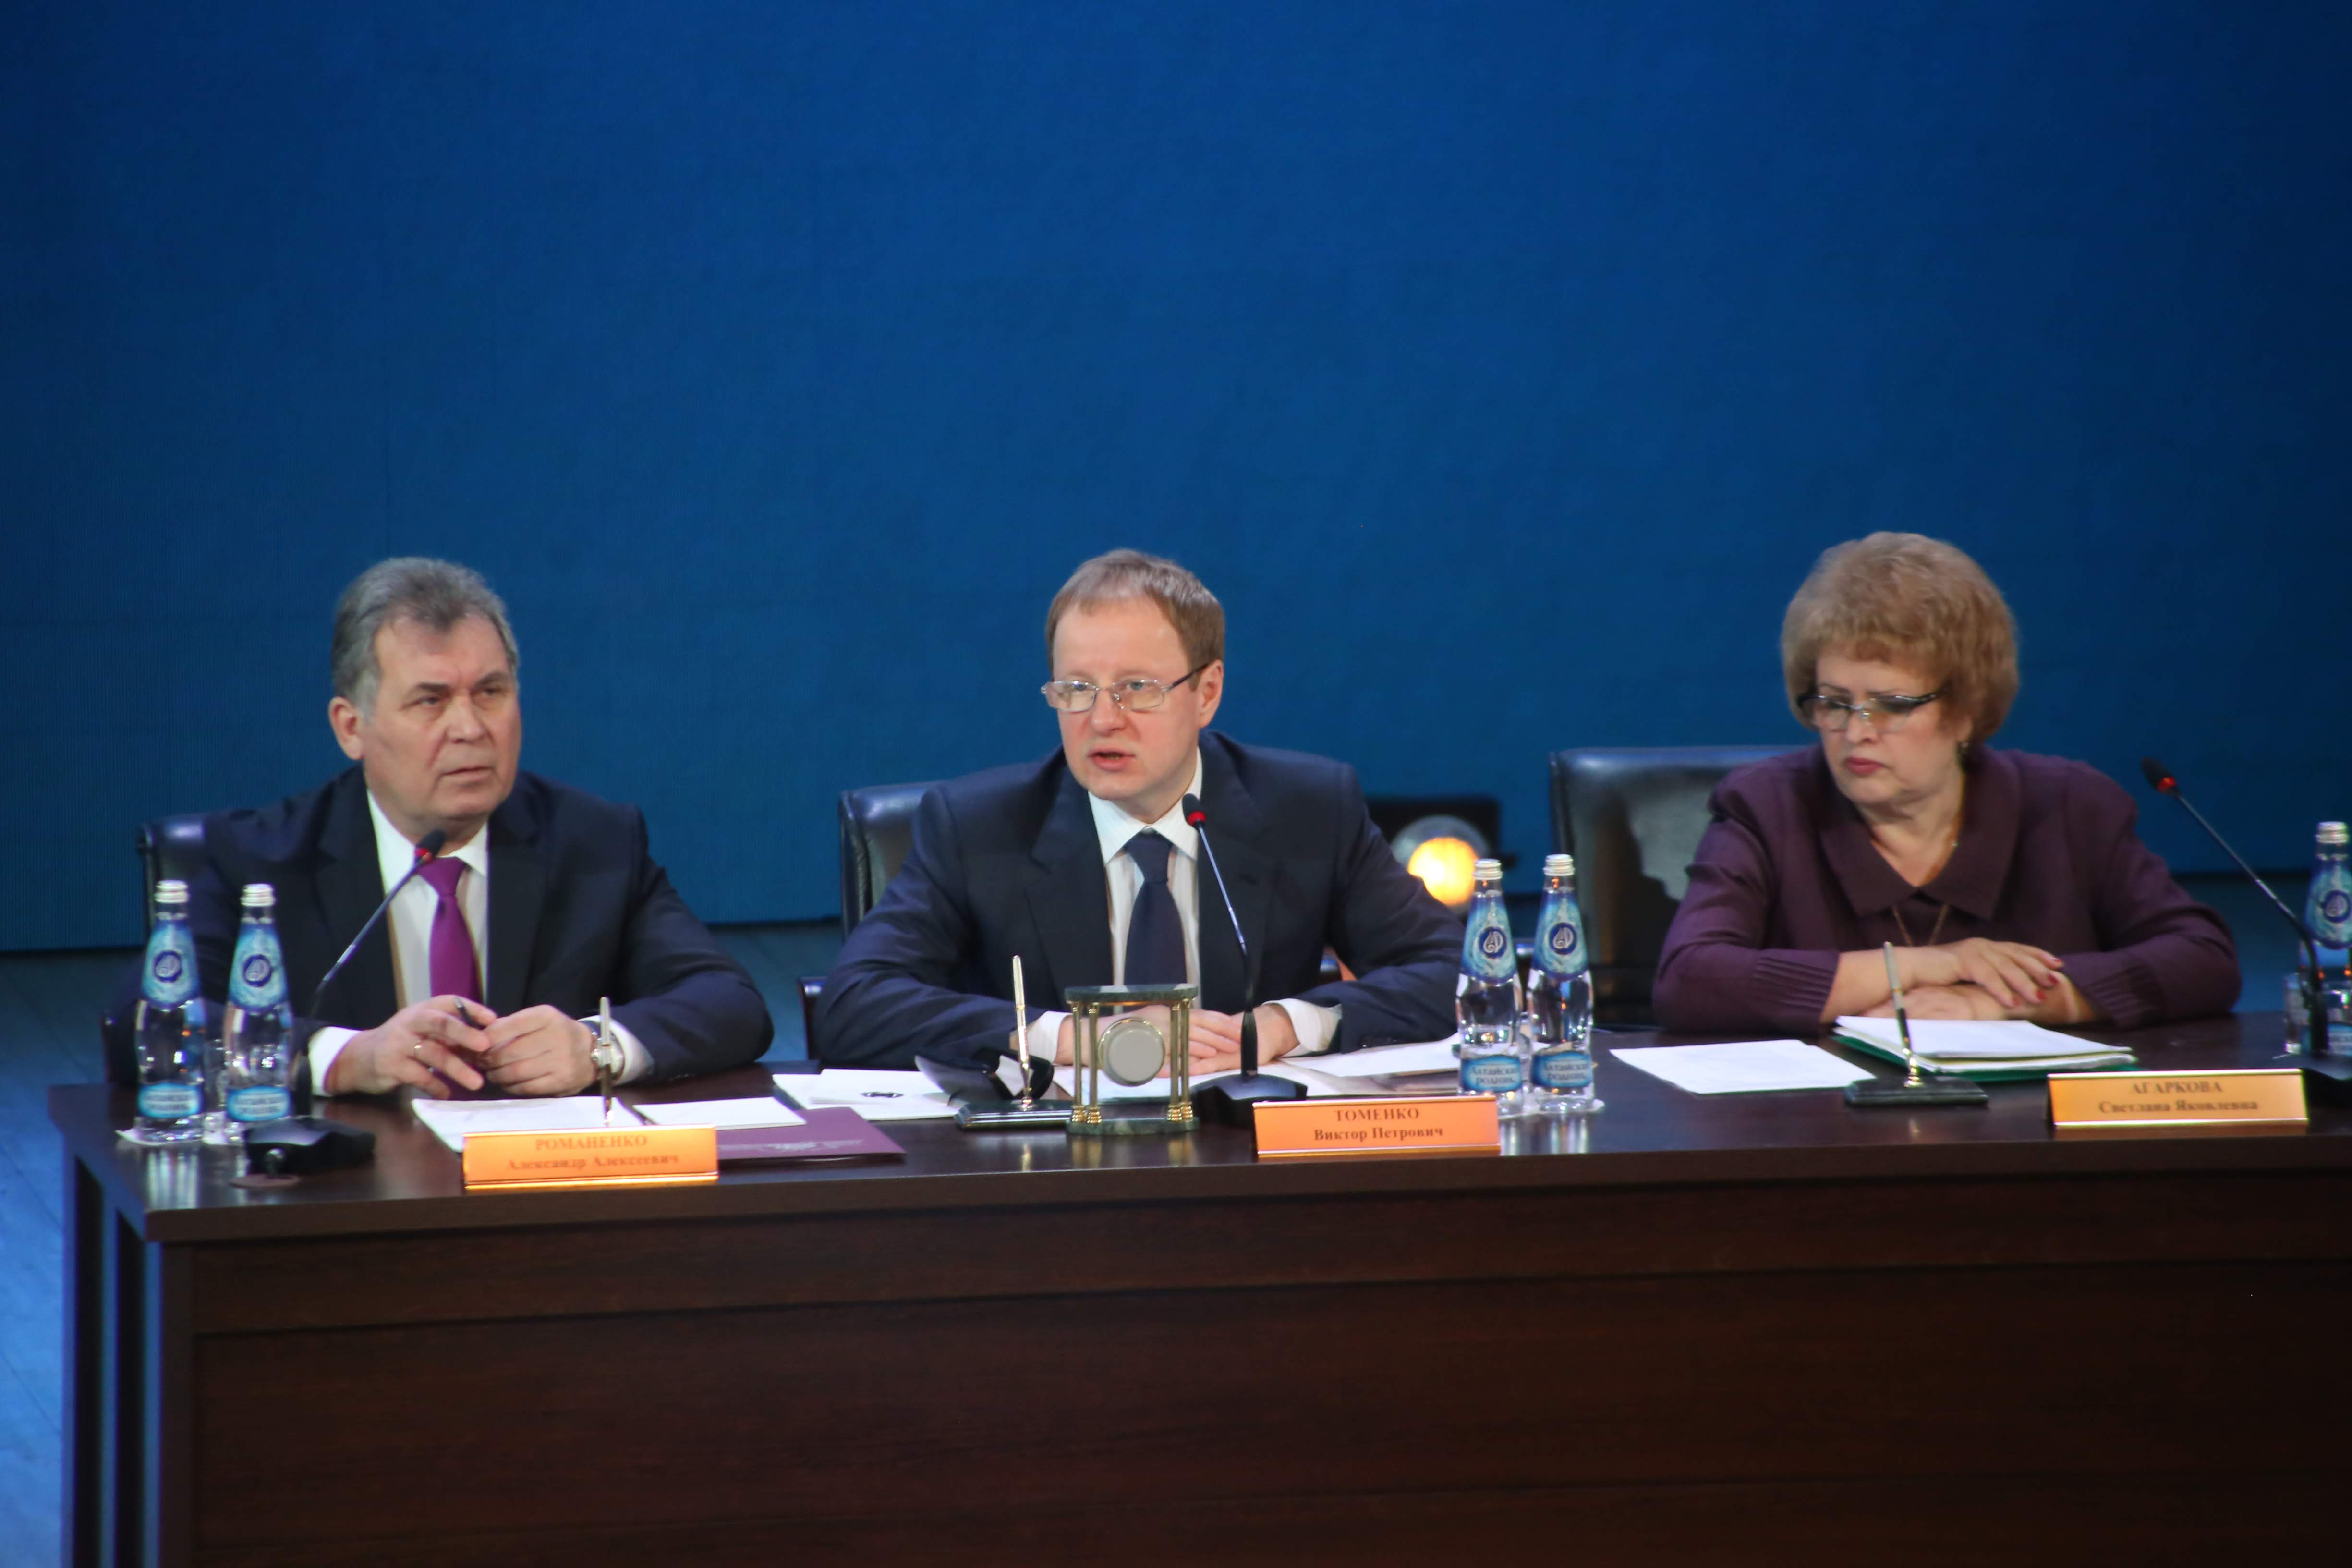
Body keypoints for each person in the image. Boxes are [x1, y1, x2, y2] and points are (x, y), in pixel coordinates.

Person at [143, 558, 771, 1098]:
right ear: (351, 728)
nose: (470, 729)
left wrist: (596, 1046)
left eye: (490, 692)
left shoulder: (595, 843)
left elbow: (729, 1001)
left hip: (546, 1185)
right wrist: (345, 1057)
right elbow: (149, 1020)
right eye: (431, 700)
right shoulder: (260, 860)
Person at [814, 549, 1461, 1072]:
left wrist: (1285, 1025)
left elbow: (1457, 974)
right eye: (1076, 689)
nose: (1102, 719)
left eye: (1136, 689)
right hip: (1048, 1163)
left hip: (1245, 1151)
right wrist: (1069, 1037)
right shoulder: (978, 827)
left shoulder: (1307, 809)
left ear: (1206, 692)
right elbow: (852, 1006)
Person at [1653, 532, 2238, 1035]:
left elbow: (2202, 961)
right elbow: (1690, 980)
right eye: (1834, 703)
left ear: (1963, 712)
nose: (1855, 732)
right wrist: (1919, 966)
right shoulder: (1767, 806)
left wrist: (2002, 1004)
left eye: (1890, 705)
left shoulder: (2068, 807)